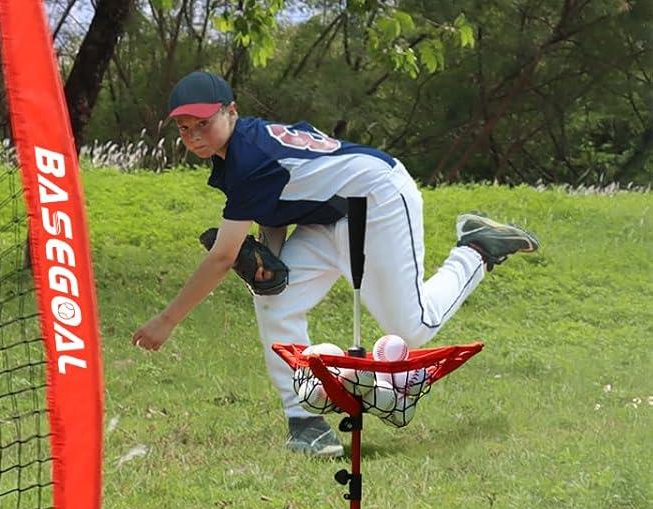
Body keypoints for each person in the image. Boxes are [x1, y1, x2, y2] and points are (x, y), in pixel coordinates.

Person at [132, 71, 539, 457]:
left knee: (411, 327)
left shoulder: (248, 158)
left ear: (231, 111)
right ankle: (304, 420)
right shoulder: (247, 144)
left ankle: (477, 248)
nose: (194, 135)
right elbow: (275, 205)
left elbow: (222, 256)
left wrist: (166, 320)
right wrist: (270, 255)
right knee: (275, 297)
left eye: (203, 123)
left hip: (377, 202)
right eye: (184, 128)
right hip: (327, 214)